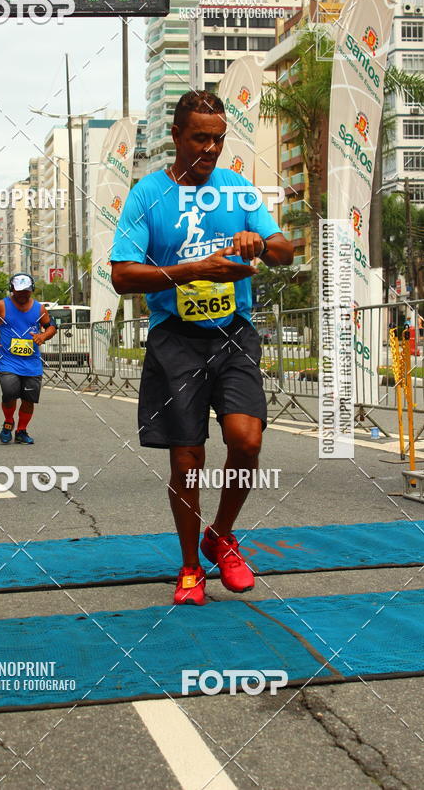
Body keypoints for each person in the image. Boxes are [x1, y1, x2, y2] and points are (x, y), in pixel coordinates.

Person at [111, 90, 294, 606]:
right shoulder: (148, 195)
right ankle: (192, 566)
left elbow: (284, 249)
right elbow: (123, 276)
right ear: (176, 136)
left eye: (218, 139)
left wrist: (259, 243)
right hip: (176, 340)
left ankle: (222, 534)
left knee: (247, 441)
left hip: (233, 333)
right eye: (200, 138)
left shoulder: (236, 190)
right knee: (187, 460)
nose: (211, 149)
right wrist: (195, 270)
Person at [0, 274, 56, 444]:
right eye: (19, 291)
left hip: (32, 364)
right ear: (12, 289)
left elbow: (51, 326)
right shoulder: (1, 306)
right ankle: (8, 422)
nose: (23, 294)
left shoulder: (39, 309)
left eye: (26, 291)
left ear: (32, 290)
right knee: (9, 394)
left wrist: (43, 336)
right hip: (8, 361)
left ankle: (21, 431)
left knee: (29, 400)